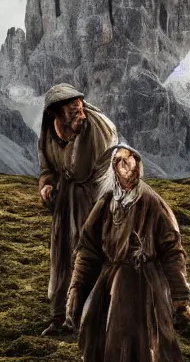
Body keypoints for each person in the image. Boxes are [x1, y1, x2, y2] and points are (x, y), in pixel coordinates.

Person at [64, 143, 190, 361]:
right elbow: (88, 250)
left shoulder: (152, 203)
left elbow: (171, 249)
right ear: (114, 166)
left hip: (144, 286)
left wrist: (179, 292)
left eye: (132, 160)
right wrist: (77, 288)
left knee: (142, 344)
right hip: (109, 284)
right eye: (121, 161)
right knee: (98, 336)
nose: (128, 166)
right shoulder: (105, 203)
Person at [36, 83, 118, 336]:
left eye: (81, 109)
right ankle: (59, 317)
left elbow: (84, 171)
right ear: (55, 114)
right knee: (61, 260)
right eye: (73, 112)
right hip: (64, 206)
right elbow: (47, 168)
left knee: (89, 258)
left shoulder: (94, 130)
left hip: (93, 203)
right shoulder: (49, 135)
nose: (80, 116)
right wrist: (47, 186)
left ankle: (87, 317)